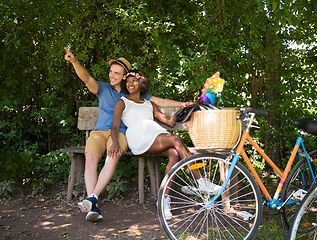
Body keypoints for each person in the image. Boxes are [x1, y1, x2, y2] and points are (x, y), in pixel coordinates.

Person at [64, 48, 192, 222]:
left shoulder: (132, 91)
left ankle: (91, 200)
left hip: (122, 134)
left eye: (116, 73)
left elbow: (159, 102)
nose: (112, 75)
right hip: (99, 131)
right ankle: (92, 204)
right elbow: (86, 78)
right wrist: (74, 62)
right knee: (91, 158)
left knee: (113, 155)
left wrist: (182, 104)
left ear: (125, 76)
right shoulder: (102, 88)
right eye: (111, 72)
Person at [108, 70, 221, 220]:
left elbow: (169, 122)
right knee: (175, 139)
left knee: (174, 154)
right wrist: (115, 143)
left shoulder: (149, 104)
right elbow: (115, 126)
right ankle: (200, 180)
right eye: (127, 81)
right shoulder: (122, 102)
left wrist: (184, 108)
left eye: (133, 81)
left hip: (154, 134)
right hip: (138, 135)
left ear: (140, 83)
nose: (130, 84)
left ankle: (163, 200)